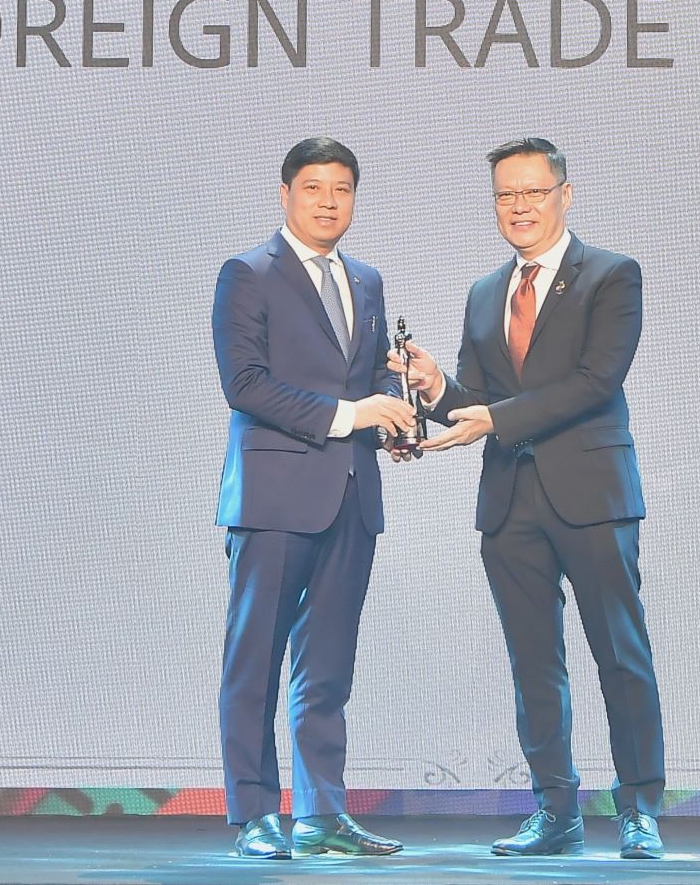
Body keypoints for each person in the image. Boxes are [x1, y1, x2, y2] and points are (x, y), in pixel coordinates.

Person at [399, 136, 666, 860]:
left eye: (533, 192)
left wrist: (494, 418)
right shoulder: (486, 292)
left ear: (564, 195)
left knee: (621, 654)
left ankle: (640, 810)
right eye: (506, 195)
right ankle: (555, 810)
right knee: (534, 665)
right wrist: (434, 387)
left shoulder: (611, 275)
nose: (519, 206)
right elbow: (476, 402)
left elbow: (596, 382)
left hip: (592, 495)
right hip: (510, 501)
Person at [212, 137, 417, 859]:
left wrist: (392, 417)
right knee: (256, 664)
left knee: (327, 669)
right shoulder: (248, 273)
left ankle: (322, 814)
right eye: (313, 188)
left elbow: (373, 377)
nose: (329, 202)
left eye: (342, 189)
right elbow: (245, 384)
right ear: (285, 194)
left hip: (352, 495)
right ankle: (255, 814)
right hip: (274, 499)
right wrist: (353, 414)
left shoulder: (366, 279)